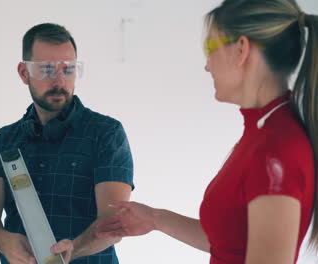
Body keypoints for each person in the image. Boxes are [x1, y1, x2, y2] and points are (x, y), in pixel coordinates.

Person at [96, 0, 318, 263]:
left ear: (241, 49)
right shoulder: (263, 132)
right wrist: (156, 218)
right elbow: (232, 240)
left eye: (210, 47)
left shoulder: (277, 152)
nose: (207, 65)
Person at [0, 23, 134, 264]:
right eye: (47, 69)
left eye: (68, 69)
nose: (59, 81)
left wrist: (74, 248)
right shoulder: (4, 140)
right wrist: (1, 239)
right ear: (23, 73)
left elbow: (113, 220)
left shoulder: (106, 133)